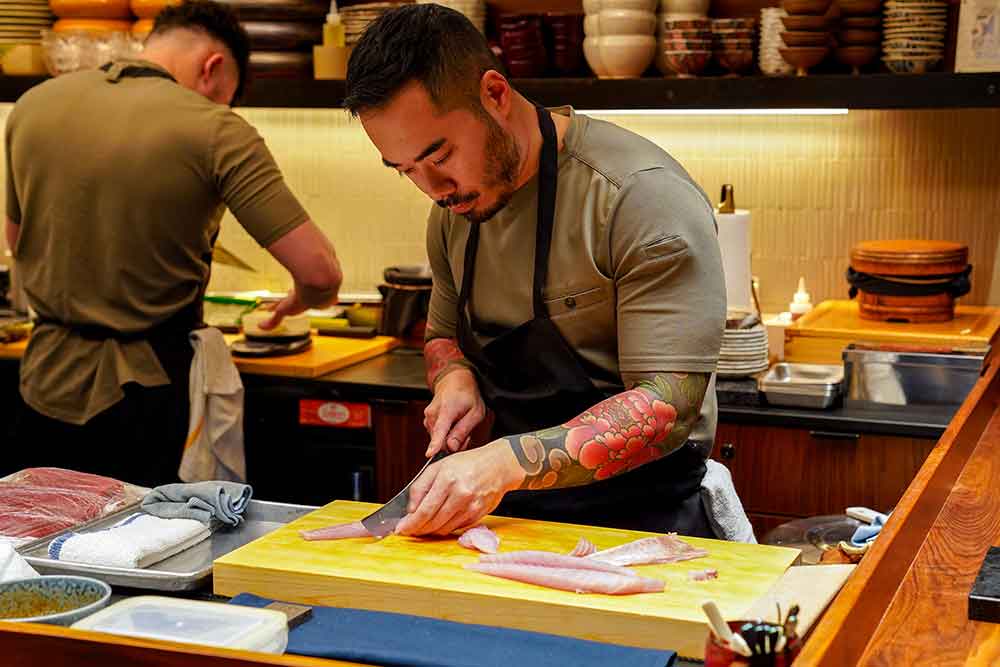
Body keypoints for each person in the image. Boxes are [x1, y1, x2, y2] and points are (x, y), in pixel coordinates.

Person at [344, 4, 738, 538]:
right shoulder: (456, 213)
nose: (431, 188)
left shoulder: (637, 198)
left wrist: (503, 463)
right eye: (405, 169)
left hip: (650, 523)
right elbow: (443, 335)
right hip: (518, 520)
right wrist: (455, 379)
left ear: (495, 94)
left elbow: (668, 405)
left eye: (439, 155)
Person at [4, 0, 342, 487]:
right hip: (148, 396)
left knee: (42, 545)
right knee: (151, 553)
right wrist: (302, 302)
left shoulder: (33, 105)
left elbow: (16, 241)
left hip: (42, 385)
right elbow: (319, 272)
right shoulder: (216, 129)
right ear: (214, 68)